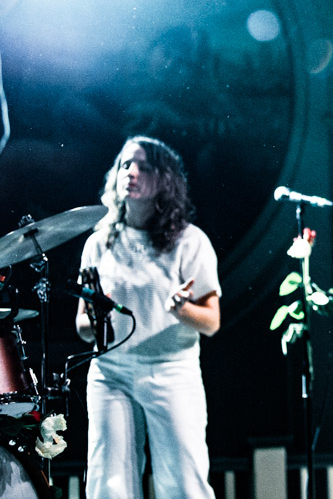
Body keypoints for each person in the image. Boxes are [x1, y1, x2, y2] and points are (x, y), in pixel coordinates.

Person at [76, 136, 221, 499]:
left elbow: (212, 322)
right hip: (111, 373)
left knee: (184, 485)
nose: (132, 172)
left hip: (171, 370)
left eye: (143, 166)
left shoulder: (191, 241)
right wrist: (97, 317)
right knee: (109, 485)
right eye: (125, 164)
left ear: (164, 179)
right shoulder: (98, 243)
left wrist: (182, 309)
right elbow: (81, 327)